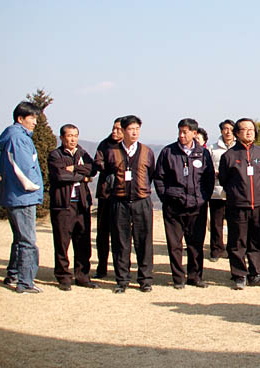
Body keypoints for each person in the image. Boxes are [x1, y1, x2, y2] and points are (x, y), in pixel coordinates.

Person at [153, 118, 215, 289]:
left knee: (196, 244)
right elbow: (159, 178)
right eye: (180, 131)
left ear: (195, 133)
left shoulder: (203, 153)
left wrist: (203, 198)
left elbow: (209, 179)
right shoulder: (168, 152)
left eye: (185, 132)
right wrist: (167, 197)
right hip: (174, 206)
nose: (181, 135)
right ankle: (178, 278)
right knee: (175, 245)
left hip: (197, 206)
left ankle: (195, 277)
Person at [100, 115, 157, 293]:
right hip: (119, 201)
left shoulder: (147, 151)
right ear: (123, 131)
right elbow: (107, 174)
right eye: (131, 129)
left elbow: (152, 173)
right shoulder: (112, 152)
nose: (134, 133)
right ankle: (122, 280)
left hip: (142, 201)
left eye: (137, 129)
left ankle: (145, 279)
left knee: (144, 241)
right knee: (120, 242)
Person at [218, 118, 260, 289]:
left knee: (257, 240)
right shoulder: (229, 155)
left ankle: (256, 274)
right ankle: (239, 275)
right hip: (237, 204)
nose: (249, 132)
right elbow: (224, 179)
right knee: (237, 241)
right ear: (236, 133)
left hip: (258, 203)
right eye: (245, 129)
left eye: (252, 129)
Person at [0, 101, 45, 294]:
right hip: (23, 196)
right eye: (32, 118)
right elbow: (23, 168)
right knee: (27, 240)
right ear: (20, 119)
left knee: (19, 238)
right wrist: (34, 187)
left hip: (15, 195)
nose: (35, 122)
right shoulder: (18, 138)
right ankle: (25, 281)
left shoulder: (14, 136)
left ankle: (14, 274)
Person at [48, 124, 98, 291]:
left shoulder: (81, 153)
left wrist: (75, 169)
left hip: (82, 204)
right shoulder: (55, 155)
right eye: (69, 136)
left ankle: (82, 276)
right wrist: (81, 178)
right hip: (63, 205)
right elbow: (60, 175)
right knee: (62, 242)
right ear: (62, 137)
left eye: (75, 135)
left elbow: (92, 169)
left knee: (83, 241)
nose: (72, 139)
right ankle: (63, 276)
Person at [93, 118, 122, 278]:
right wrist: (114, 165)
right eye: (113, 128)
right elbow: (98, 163)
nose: (115, 132)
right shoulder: (104, 144)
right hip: (105, 193)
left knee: (120, 234)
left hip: (122, 194)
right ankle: (101, 267)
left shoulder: (128, 146)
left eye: (118, 129)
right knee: (103, 233)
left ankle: (121, 269)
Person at [208, 119, 235, 261]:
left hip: (234, 191)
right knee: (216, 222)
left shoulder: (238, 147)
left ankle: (232, 249)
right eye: (225, 129)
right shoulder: (213, 148)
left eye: (230, 129)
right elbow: (207, 167)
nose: (228, 131)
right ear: (221, 131)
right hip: (216, 190)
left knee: (234, 222)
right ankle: (216, 249)